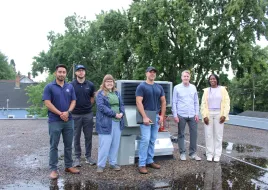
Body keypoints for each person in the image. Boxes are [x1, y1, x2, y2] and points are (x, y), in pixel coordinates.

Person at [42, 64, 80, 180]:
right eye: (60, 72)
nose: (62, 74)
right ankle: (53, 169)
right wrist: (60, 113)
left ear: (65, 74)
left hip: (68, 120)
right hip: (55, 121)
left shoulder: (70, 87)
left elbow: (73, 101)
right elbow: (47, 103)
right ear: (55, 73)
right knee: (54, 145)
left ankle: (68, 166)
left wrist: (68, 112)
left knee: (68, 145)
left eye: (64, 72)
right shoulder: (49, 87)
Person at [136, 66, 166, 174]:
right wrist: (144, 116)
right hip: (146, 115)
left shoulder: (159, 87)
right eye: (150, 72)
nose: (152, 74)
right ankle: (142, 164)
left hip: (156, 115)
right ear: (146, 74)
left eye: (154, 72)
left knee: (152, 140)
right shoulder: (141, 86)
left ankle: (150, 160)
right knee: (145, 140)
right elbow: (139, 102)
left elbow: (163, 102)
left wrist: (161, 116)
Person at [95, 74, 125, 173]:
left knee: (115, 144)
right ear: (104, 83)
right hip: (106, 123)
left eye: (111, 81)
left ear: (113, 83)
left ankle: (113, 163)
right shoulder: (100, 94)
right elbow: (101, 107)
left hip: (118, 122)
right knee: (105, 145)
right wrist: (114, 114)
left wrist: (121, 113)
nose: (109, 83)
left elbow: (122, 105)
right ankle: (101, 165)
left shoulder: (117, 93)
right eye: (107, 81)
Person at [172, 70, 201, 161]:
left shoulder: (193, 87)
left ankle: (192, 153)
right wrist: (175, 115)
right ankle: (182, 153)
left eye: (187, 76)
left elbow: (196, 102)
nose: (186, 78)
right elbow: (174, 102)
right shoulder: (177, 88)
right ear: (181, 77)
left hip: (192, 114)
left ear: (190, 78)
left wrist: (197, 113)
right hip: (181, 114)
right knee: (181, 134)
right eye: (184, 76)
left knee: (194, 134)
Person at [200, 74, 230, 162]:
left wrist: (224, 115)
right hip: (208, 113)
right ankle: (209, 154)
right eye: (210, 79)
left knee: (218, 135)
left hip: (219, 114)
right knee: (208, 135)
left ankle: (217, 155)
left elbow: (227, 103)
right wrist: (204, 116)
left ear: (217, 80)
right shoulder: (206, 91)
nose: (212, 80)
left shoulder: (223, 90)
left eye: (214, 79)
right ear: (209, 81)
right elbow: (203, 104)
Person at [71, 65, 96, 167]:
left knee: (88, 136)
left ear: (85, 72)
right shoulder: (71, 85)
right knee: (76, 137)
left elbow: (92, 98)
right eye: (79, 70)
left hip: (87, 114)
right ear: (76, 73)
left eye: (83, 70)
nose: (81, 72)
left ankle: (88, 157)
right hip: (75, 115)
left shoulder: (90, 85)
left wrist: (87, 106)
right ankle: (77, 158)